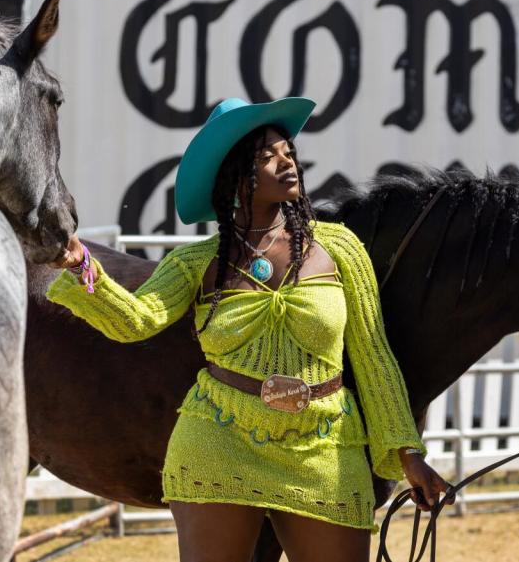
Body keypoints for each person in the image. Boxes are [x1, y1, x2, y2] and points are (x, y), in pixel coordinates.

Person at [47, 97, 453, 561]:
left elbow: (373, 356)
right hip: (219, 437)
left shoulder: (339, 249)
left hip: (324, 445)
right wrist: (82, 267)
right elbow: (137, 320)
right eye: (266, 157)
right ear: (234, 178)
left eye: (289, 153)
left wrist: (408, 453)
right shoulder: (199, 263)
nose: (287, 163)